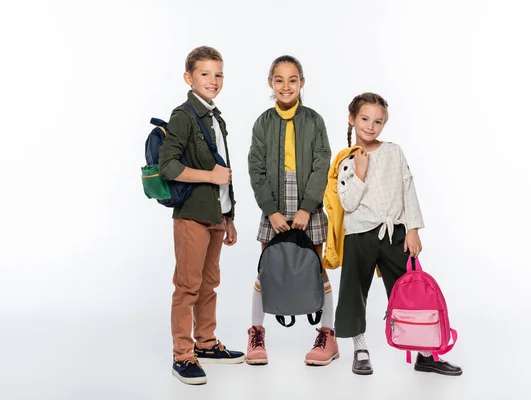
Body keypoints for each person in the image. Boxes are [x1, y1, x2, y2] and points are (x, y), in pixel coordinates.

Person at [331, 92, 463, 376]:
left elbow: (408, 189)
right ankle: (360, 348)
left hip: (395, 234)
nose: (370, 126)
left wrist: (412, 230)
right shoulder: (346, 163)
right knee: (355, 290)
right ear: (352, 119)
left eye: (378, 121)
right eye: (364, 119)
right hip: (359, 235)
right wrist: (361, 173)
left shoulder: (393, 151)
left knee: (412, 288)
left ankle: (426, 353)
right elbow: (348, 203)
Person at [158, 46, 245, 385]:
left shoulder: (215, 116)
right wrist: (210, 177)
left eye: (218, 74)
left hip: (214, 215)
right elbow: (168, 166)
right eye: (205, 74)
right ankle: (183, 354)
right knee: (187, 287)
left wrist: (229, 215)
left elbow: (224, 170)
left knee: (209, 285)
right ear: (188, 78)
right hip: (191, 216)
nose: (213, 80)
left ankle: (206, 344)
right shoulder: (184, 115)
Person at [246, 55, 338, 366]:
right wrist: (270, 210)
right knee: (266, 269)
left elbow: (321, 164)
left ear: (302, 82)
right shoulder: (263, 122)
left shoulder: (314, 120)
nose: (286, 86)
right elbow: (255, 168)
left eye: (293, 79)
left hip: (305, 202)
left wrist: (306, 208)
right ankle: (256, 333)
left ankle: (327, 333)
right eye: (279, 80)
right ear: (271, 83)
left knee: (315, 269)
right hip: (273, 201)